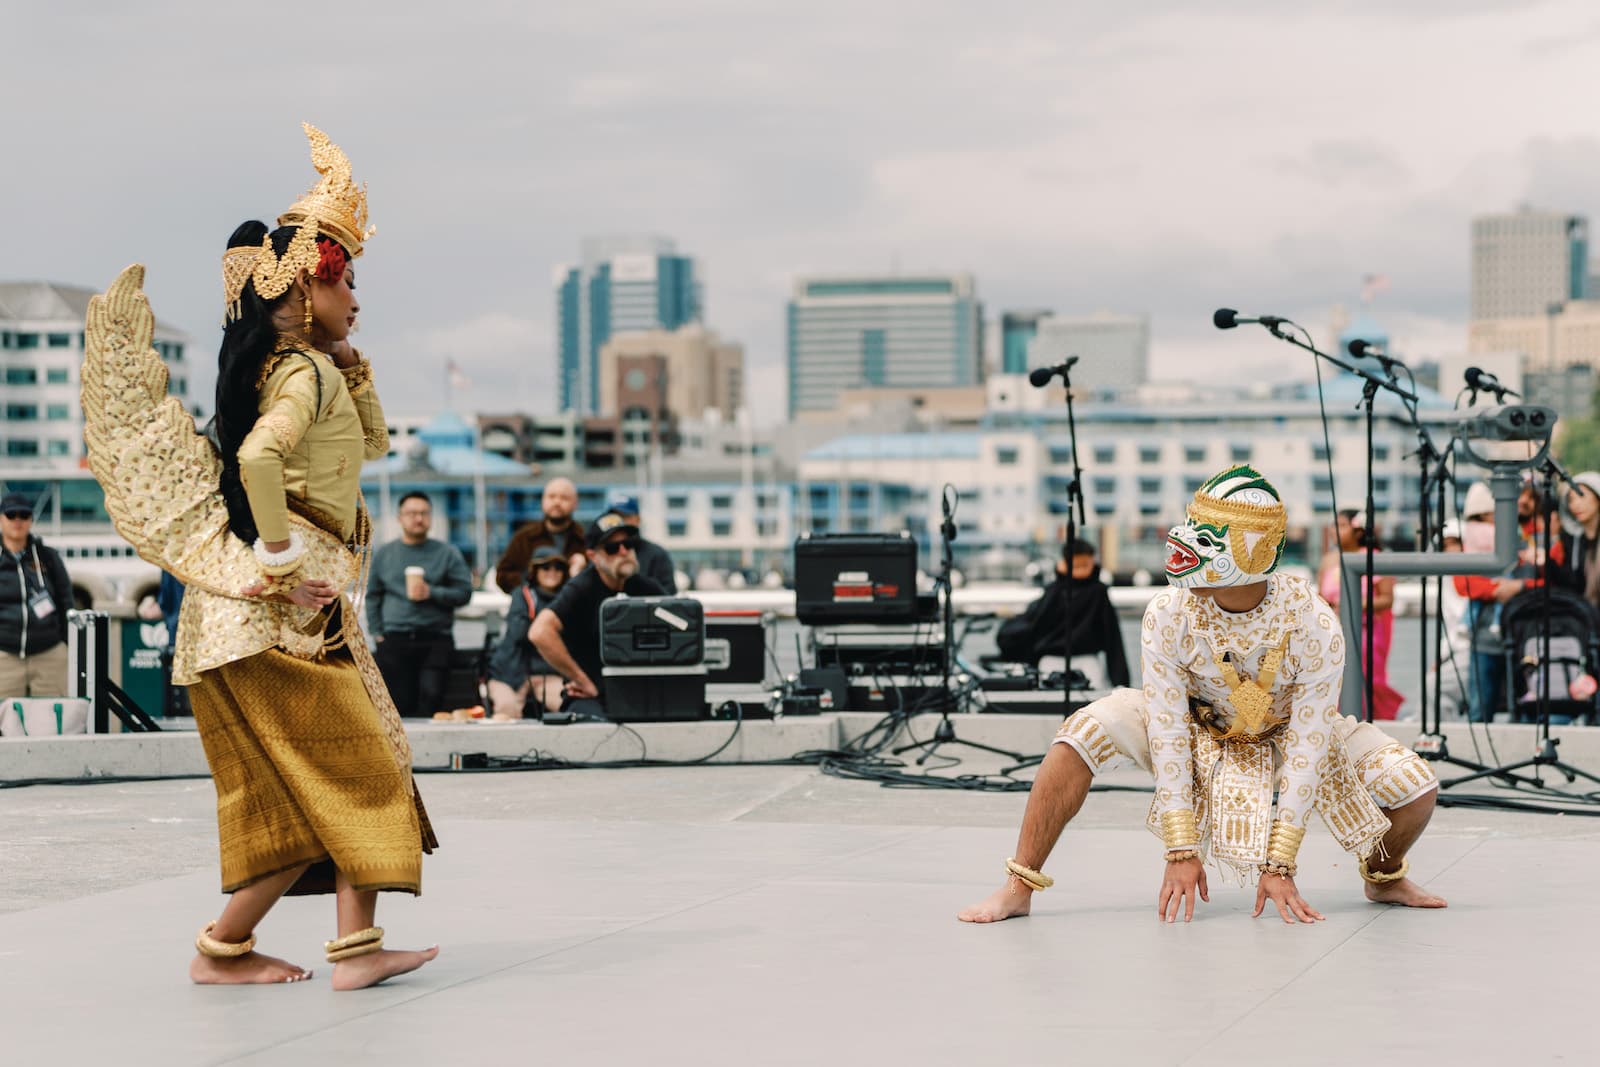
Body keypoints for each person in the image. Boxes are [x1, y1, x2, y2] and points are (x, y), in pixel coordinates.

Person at [80, 125, 437, 988]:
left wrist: (350, 361)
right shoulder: (298, 376)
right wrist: (279, 559)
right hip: (281, 613)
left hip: (257, 619)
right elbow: (257, 460)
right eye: (348, 280)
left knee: (298, 796)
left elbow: (374, 443)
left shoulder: (298, 368)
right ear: (310, 284)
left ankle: (225, 951)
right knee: (366, 768)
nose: (357, 298)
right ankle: (353, 953)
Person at [958, 465, 1446, 926]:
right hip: (1196, 726)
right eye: (1193, 526)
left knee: (1417, 787)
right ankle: (1019, 885)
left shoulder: (1313, 621)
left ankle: (1383, 877)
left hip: (1284, 733)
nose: (1187, 543)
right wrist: (1181, 849)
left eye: (1209, 536)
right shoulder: (1168, 611)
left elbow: (1309, 743)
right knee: (1078, 736)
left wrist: (1280, 863)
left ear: (1254, 550)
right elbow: (1167, 725)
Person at [530, 510, 665, 719]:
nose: (623, 552)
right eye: (612, 548)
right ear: (593, 556)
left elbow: (681, 625)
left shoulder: (646, 588)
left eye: (629, 544)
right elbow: (540, 632)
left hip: (640, 692)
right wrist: (581, 680)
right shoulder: (581, 588)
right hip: (591, 696)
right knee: (595, 727)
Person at [367, 491, 474, 717]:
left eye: (424, 513)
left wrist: (431, 592)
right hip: (394, 638)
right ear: (400, 518)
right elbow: (373, 595)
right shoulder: (385, 554)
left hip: (435, 638)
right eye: (412, 513)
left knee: (431, 698)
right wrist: (377, 633)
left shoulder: (447, 553)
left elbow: (464, 593)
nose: (418, 518)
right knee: (397, 705)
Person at [994, 538, 1129, 687]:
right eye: (1076, 565)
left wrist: (1120, 682)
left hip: (1084, 660)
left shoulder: (1096, 592)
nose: (1081, 570)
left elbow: (1112, 637)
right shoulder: (1054, 591)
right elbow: (1034, 625)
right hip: (1053, 660)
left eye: (1085, 565)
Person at [1318, 509, 1403, 719]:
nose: (1334, 531)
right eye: (1333, 525)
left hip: (1369, 632)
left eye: (1341, 525)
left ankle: (1378, 721)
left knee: (1370, 681)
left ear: (1358, 531)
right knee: (1334, 678)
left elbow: (1387, 599)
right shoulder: (1328, 560)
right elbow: (1321, 598)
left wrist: (1354, 604)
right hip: (1334, 632)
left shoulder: (1374, 558)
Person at [0, 491, 73, 699]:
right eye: (11, 515)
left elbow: (65, 600)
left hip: (49, 653)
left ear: (31, 520)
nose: (18, 520)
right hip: (5, 654)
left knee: (51, 715)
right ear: (1, 519)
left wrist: (65, 643)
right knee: (6, 717)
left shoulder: (48, 556)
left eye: (24, 515)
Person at [486, 545, 570, 721]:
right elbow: (518, 633)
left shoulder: (568, 598)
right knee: (506, 711)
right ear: (535, 571)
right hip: (510, 673)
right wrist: (549, 625)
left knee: (568, 707)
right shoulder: (522, 595)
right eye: (545, 567)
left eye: (558, 567)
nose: (552, 572)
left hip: (550, 673)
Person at [494, 478, 586, 593]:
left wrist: (582, 571)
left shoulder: (586, 540)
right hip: (532, 603)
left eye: (564, 498)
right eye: (551, 496)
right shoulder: (524, 538)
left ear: (575, 504)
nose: (557, 502)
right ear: (543, 501)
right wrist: (534, 583)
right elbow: (502, 576)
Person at [605, 492, 677, 593]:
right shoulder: (602, 553)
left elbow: (669, 596)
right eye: (614, 517)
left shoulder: (657, 555)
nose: (619, 522)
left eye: (624, 516)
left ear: (637, 519)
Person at [1558, 471, 1600, 608]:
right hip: (1584, 612)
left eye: (1581, 496)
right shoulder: (1571, 539)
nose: (1575, 504)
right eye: (1571, 499)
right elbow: (1570, 584)